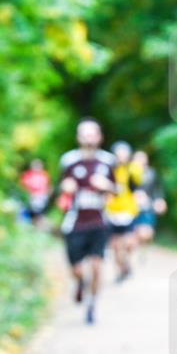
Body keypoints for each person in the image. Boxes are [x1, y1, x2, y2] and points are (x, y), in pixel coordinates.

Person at [59, 119, 116, 325]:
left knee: (97, 265)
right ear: (79, 137)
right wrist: (66, 187)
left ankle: (92, 304)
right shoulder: (69, 161)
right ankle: (80, 283)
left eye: (93, 134)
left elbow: (117, 191)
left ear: (99, 137)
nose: (89, 138)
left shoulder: (108, 161)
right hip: (75, 222)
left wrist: (107, 186)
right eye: (85, 134)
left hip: (99, 222)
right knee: (76, 269)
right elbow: (62, 187)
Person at [106, 141, 143, 282]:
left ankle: (125, 263)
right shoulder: (109, 170)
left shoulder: (133, 169)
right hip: (112, 211)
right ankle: (120, 270)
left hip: (128, 211)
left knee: (128, 243)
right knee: (114, 245)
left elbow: (140, 184)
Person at [131, 150, 167, 248]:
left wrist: (160, 200)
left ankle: (140, 246)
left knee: (146, 233)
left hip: (147, 207)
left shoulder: (151, 173)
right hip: (130, 208)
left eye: (143, 158)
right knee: (131, 236)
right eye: (138, 158)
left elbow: (157, 189)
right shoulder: (128, 172)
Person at [19, 158, 51, 226]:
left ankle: (37, 223)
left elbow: (46, 187)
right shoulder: (27, 174)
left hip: (40, 197)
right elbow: (23, 186)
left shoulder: (44, 175)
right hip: (29, 196)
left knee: (38, 209)